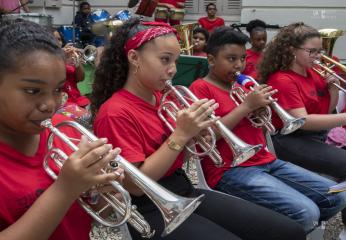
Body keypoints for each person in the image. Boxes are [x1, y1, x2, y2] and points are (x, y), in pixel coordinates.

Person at [90, 19, 306, 240]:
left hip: (183, 190)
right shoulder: (115, 112)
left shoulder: (160, 98)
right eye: (165, 60)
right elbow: (134, 186)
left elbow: (177, 157)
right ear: (134, 57)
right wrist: (181, 135)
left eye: (175, 60)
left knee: (289, 231)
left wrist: (194, 138)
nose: (173, 69)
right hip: (148, 208)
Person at [0, 19, 123, 240]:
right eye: (33, 91)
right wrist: (65, 189)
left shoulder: (65, 131)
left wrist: (105, 191)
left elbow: (81, 216)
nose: (50, 105)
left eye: (57, 89)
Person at [188, 26, 346, 233]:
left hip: (266, 160)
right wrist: (246, 107)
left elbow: (262, 128)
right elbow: (206, 138)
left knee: (338, 197)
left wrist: (261, 113)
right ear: (211, 60)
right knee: (307, 213)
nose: (239, 65)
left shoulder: (243, 86)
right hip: (231, 170)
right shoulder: (200, 88)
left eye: (243, 58)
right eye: (231, 59)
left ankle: (280, 226)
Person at [258, 22, 346, 237]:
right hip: (290, 140)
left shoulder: (313, 73)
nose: (317, 56)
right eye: (311, 51)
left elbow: (326, 108)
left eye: (319, 51)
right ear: (291, 50)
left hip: (314, 136)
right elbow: (303, 120)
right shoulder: (282, 79)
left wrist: (333, 89)